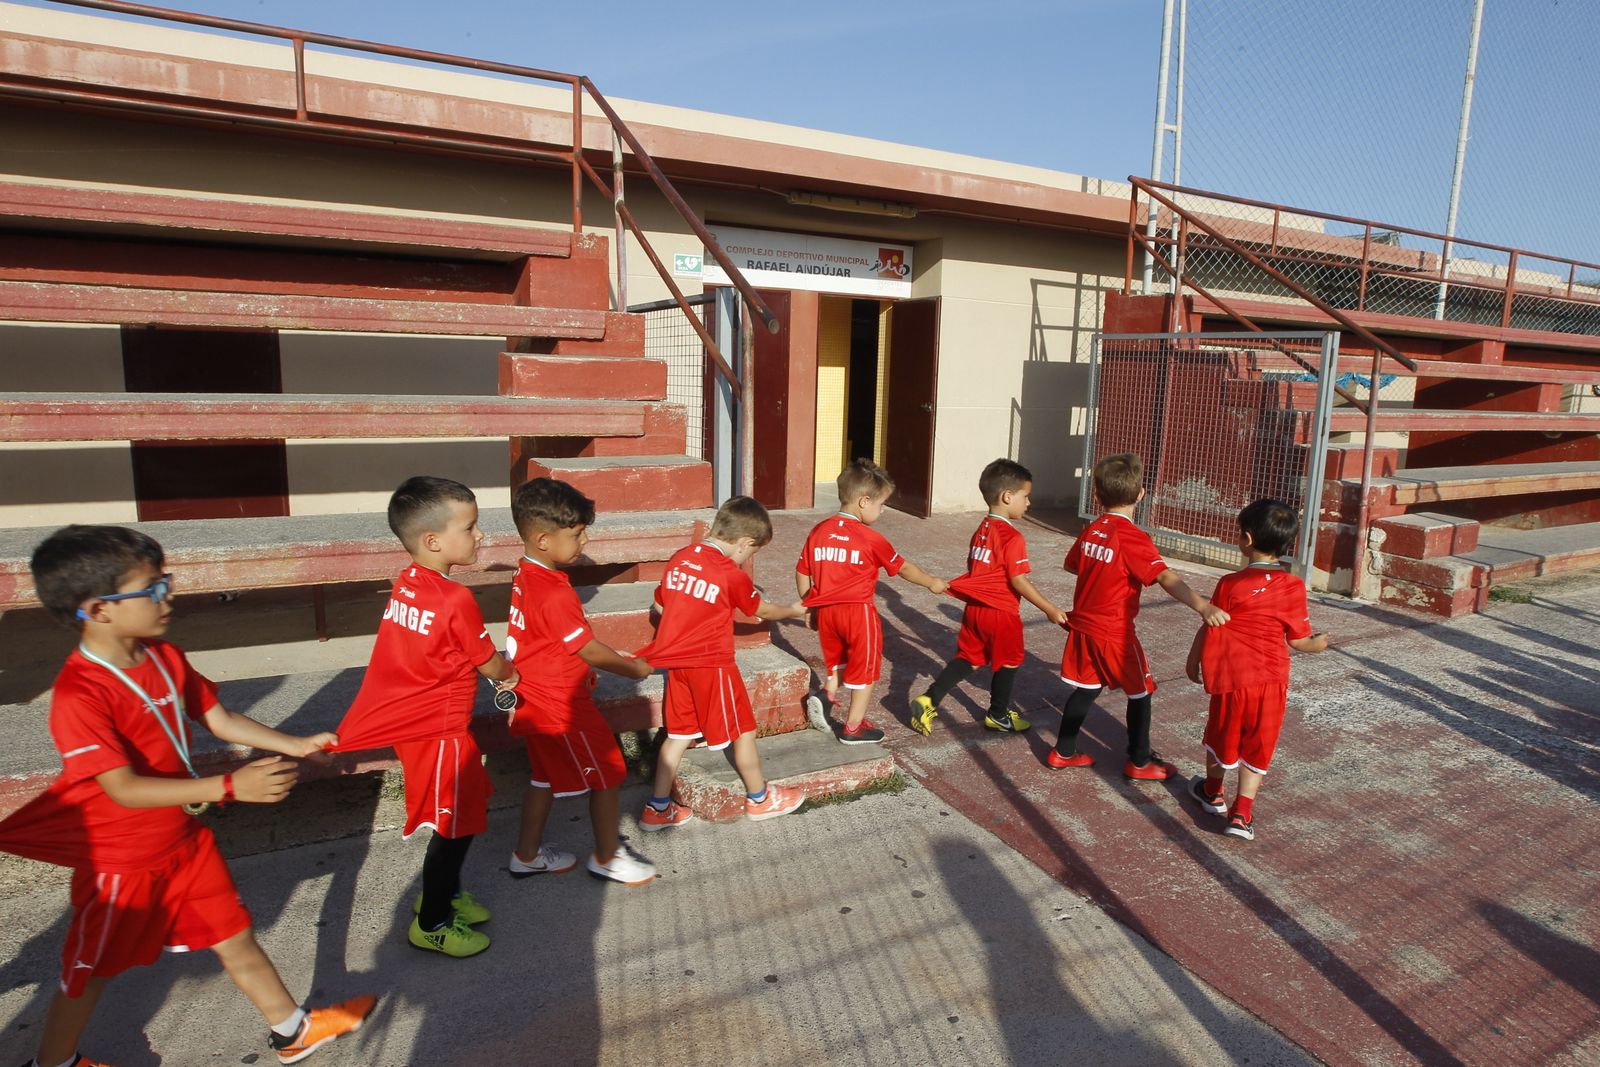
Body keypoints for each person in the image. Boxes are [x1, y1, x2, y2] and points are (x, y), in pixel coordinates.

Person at [8, 524, 374, 1067]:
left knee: (234, 934)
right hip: (122, 862)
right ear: (98, 609)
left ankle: (292, 1030)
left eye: (167, 582)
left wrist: (295, 744)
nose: (168, 597)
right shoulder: (78, 694)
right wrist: (229, 786)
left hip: (183, 841)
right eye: (152, 588)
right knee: (89, 973)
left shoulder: (163, 655)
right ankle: (54, 1062)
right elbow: (121, 788)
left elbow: (218, 717)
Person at [332, 477, 518, 958]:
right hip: (440, 732)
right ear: (433, 541)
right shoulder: (455, 599)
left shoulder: (408, 582)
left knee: (459, 816)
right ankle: (432, 922)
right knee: (454, 825)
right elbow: (489, 663)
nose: (480, 535)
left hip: (423, 725)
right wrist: (513, 675)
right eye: (470, 527)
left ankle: (446, 894)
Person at [504, 478, 657, 885]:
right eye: (575, 534)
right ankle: (607, 857)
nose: (584, 541)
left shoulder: (526, 574)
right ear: (542, 539)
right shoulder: (554, 592)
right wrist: (635, 668)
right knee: (608, 773)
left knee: (543, 776)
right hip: (562, 705)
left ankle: (527, 855)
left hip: (532, 698)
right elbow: (586, 649)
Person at [1049, 453, 1229, 778]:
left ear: (1097, 494)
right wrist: (1204, 606)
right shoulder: (1132, 537)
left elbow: (1072, 565)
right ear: (1141, 494)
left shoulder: (1093, 529)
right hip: (1114, 632)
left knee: (1087, 688)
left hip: (1083, 627)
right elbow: (1164, 576)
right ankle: (1140, 761)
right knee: (1141, 691)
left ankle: (1063, 751)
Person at [636, 496, 809, 829]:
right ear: (744, 543)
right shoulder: (730, 573)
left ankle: (657, 808)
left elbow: (660, 605)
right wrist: (793, 610)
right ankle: (760, 798)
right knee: (743, 730)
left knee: (678, 735)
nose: (747, 558)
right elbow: (761, 610)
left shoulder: (681, 558)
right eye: (752, 552)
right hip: (712, 665)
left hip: (677, 666)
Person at [1184, 499, 1329, 841]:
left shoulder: (1229, 583)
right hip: (1270, 681)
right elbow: (1299, 641)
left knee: (1221, 735)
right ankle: (1242, 814)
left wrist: (1194, 658)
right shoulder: (1294, 586)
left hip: (1232, 678)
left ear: (1246, 539)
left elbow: (1210, 622)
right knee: (1259, 742)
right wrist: (1319, 644)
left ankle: (1212, 792)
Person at [910, 458, 1067, 736]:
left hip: (975, 610)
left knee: (969, 658)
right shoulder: (1012, 537)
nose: (1028, 503)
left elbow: (976, 570)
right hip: (1001, 614)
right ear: (1007, 497)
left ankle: (929, 699)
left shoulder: (981, 531)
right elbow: (1018, 580)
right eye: (1025, 496)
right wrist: (1049, 608)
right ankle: (997, 715)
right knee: (1010, 661)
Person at [796, 459, 948, 744]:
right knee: (865, 671)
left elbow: (802, 571)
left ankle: (827, 695)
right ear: (864, 501)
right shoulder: (870, 538)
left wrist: (809, 603)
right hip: (858, 614)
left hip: (826, 613)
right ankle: (853, 728)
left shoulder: (819, 531)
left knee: (840, 662)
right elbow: (903, 568)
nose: (882, 510)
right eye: (881, 504)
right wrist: (931, 582)